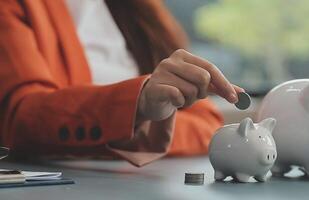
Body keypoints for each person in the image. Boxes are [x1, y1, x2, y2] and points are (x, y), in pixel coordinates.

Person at [0, 0, 243, 167]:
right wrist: (137, 105)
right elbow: (23, 117)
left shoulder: (140, 10)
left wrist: (140, 128)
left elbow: (206, 123)